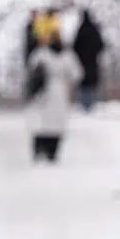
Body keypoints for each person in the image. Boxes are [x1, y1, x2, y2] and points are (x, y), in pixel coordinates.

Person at [26, 19, 82, 163]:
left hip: (59, 91)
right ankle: (40, 149)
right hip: (44, 91)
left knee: (56, 123)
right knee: (42, 123)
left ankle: (53, 151)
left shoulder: (66, 55)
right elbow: (32, 69)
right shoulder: (41, 53)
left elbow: (76, 73)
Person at [72, 9, 106, 112]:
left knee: (84, 83)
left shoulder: (80, 30)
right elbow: (101, 45)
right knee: (90, 83)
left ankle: (85, 106)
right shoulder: (94, 29)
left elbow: (75, 47)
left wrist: (81, 55)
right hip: (91, 62)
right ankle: (90, 105)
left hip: (83, 63)